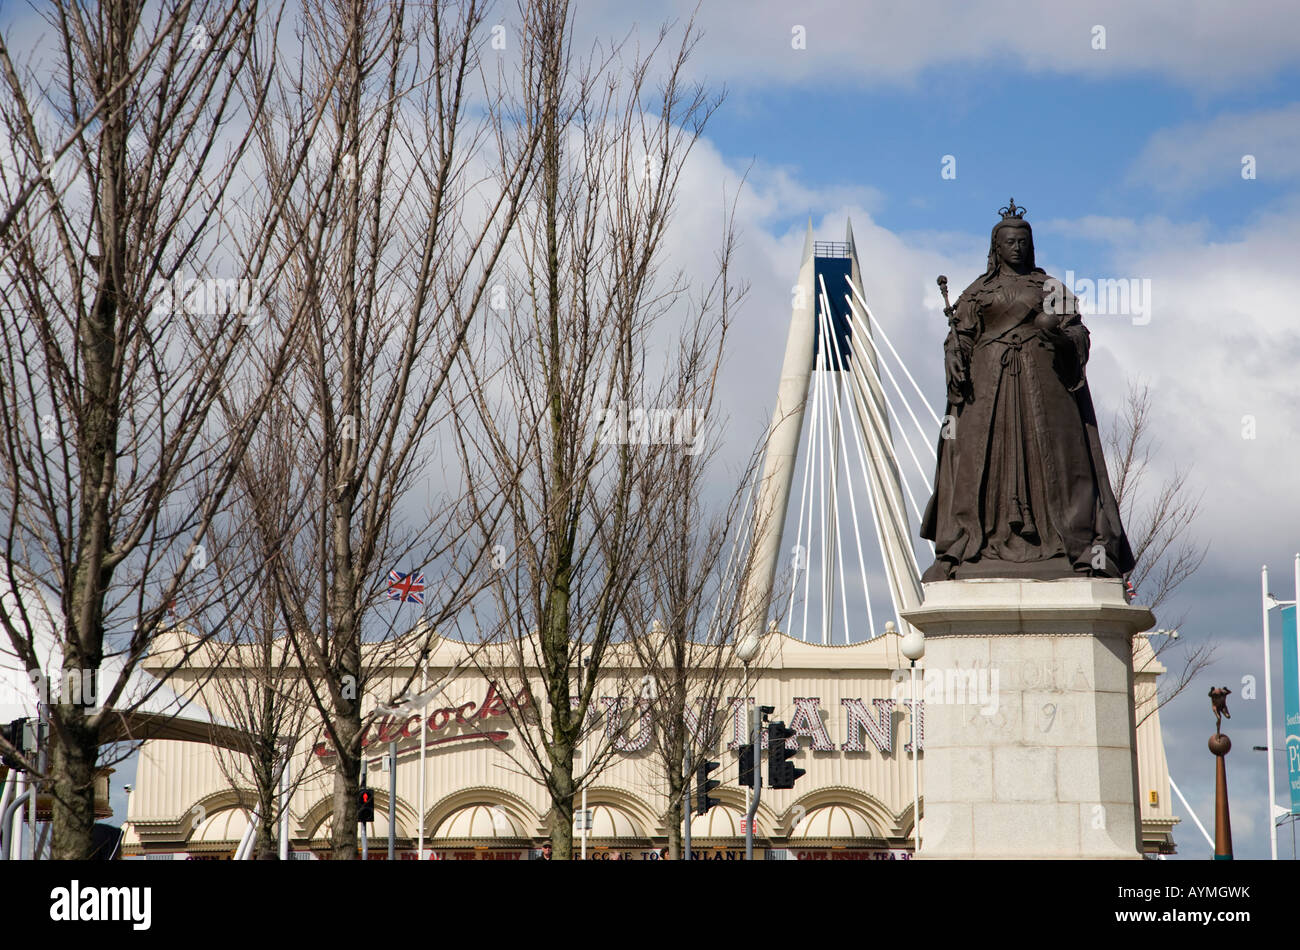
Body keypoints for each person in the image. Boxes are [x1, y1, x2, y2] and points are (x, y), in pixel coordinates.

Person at [920, 200, 1134, 582]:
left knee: (1056, 459)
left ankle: (1066, 543)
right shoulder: (976, 293)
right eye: (1010, 242)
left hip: (1044, 388)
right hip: (990, 392)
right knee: (982, 458)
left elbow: (1078, 334)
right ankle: (975, 542)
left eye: (1023, 241)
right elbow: (961, 339)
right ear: (997, 247)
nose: (1017, 247)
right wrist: (954, 356)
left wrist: (1059, 335)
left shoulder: (1051, 288)